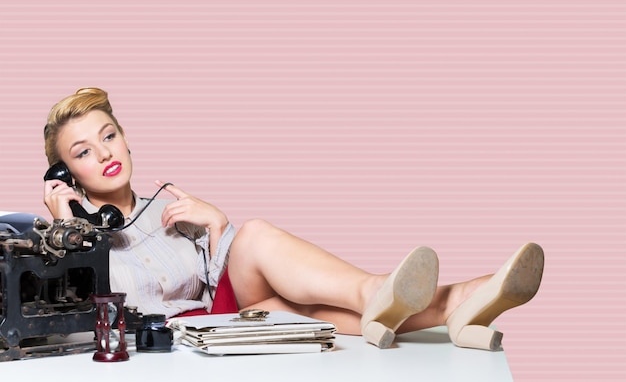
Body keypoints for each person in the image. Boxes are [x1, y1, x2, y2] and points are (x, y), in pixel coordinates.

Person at [43, 87, 544, 350]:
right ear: (68, 174)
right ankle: (440, 300)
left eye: (109, 135)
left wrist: (216, 225)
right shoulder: (64, 241)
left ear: (126, 138)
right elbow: (72, 324)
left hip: (226, 321)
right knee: (288, 297)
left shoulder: (175, 207)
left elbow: (224, 278)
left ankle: (424, 297)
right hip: (191, 340)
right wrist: (68, 230)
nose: (105, 153)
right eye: (84, 151)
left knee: (255, 238)